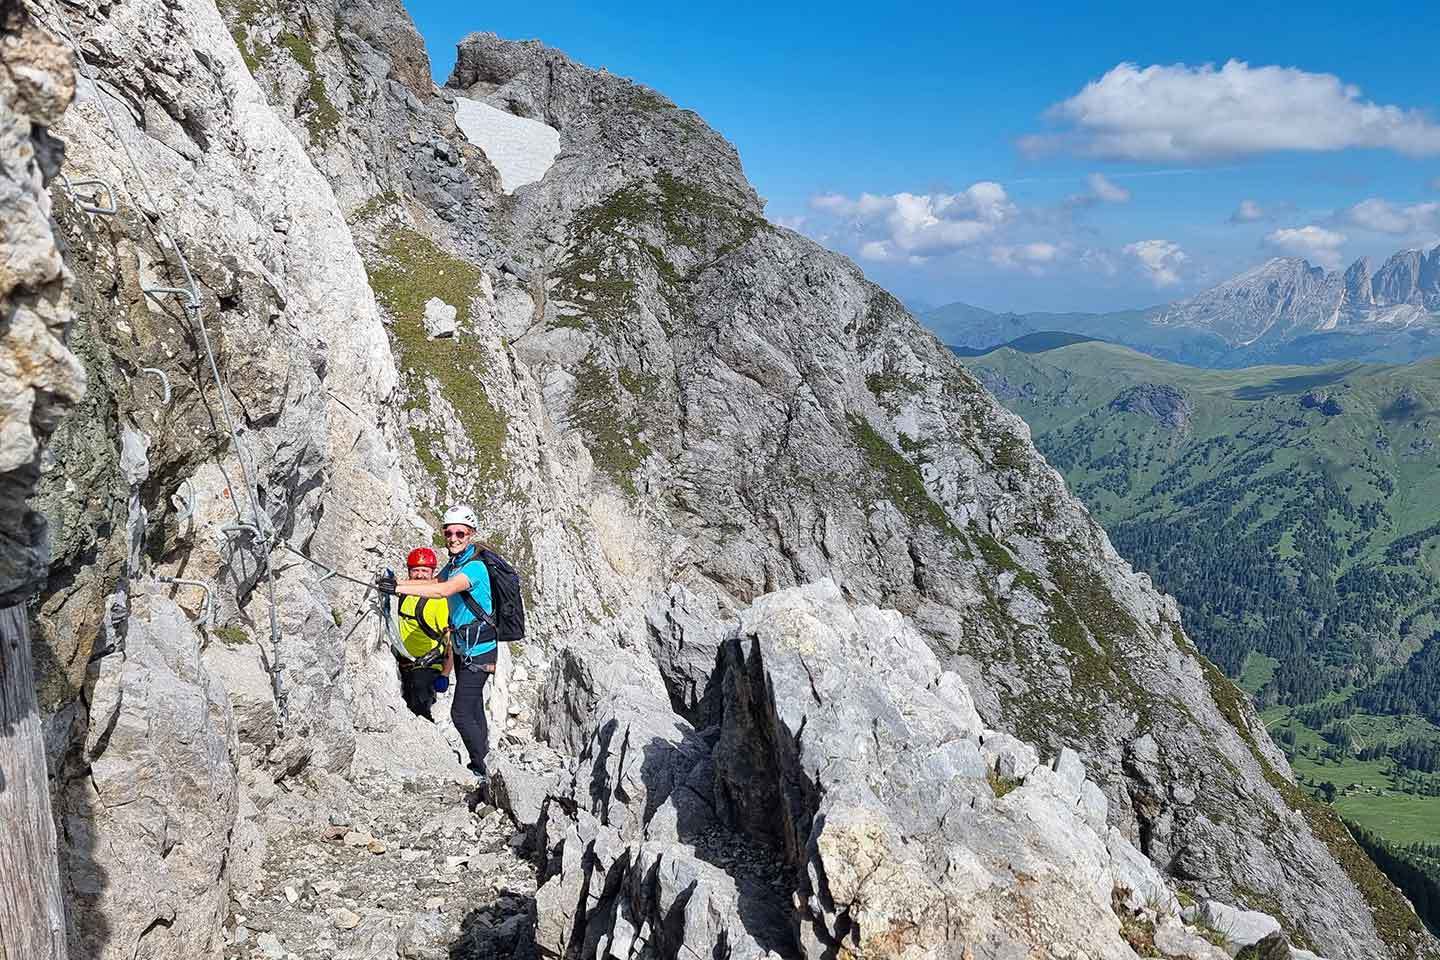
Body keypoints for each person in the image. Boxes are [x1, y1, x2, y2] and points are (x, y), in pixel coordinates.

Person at [379, 505, 497, 788]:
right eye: (449, 532)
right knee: (475, 708)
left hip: (478, 650)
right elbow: (434, 581)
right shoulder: (455, 564)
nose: (453, 537)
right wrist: (395, 583)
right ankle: (487, 761)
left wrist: (396, 589)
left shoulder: (474, 567)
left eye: (460, 533)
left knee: (460, 712)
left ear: (471, 534)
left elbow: (442, 590)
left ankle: (482, 769)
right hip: (464, 648)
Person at [394, 547, 451, 721]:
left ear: (432, 573)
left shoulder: (438, 600)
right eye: (415, 570)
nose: (419, 575)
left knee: (419, 706)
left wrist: (445, 674)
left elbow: (449, 639)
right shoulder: (404, 592)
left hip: (427, 665)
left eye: (424, 571)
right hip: (404, 661)